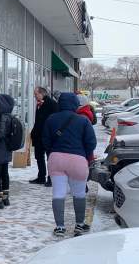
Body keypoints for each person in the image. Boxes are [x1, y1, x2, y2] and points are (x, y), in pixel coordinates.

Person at [43, 92, 97, 237]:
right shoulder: (83, 120)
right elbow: (91, 142)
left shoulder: (51, 119)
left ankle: (60, 227)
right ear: (75, 104)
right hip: (77, 159)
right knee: (79, 193)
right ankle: (79, 225)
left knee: (58, 193)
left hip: (56, 159)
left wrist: (52, 152)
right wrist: (83, 154)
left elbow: (45, 140)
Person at [29, 87, 58, 186]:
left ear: (42, 93)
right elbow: (38, 120)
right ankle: (41, 177)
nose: (34, 96)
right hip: (38, 136)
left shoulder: (52, 104)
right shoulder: (39, 104)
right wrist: (33, 132)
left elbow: (54, 121)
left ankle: (51, 178)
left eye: (36, 94)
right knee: (39, 157)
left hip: (48, 136)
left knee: (50, 158)